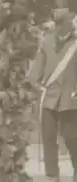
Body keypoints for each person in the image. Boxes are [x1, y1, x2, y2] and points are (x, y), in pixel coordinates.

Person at [29, 10, 77, 182]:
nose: (61, 26)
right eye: (58, 23)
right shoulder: (46, 43)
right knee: (48, 138)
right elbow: (35, 71)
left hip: (70, 99)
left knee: (71, 137)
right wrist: (37, 85)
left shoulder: (76, 43)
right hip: (49, 98)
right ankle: (52, 175)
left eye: (65, 22)